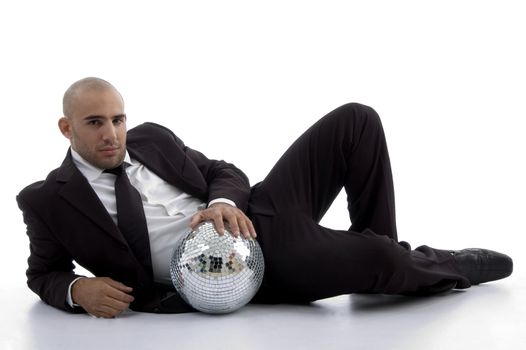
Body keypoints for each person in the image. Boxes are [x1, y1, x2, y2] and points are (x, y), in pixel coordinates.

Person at [17, 77, 513, 318]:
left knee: (356, 119)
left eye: (117, 119)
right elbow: (43, 273)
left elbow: (222, 171)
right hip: (246, 266)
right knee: (377, 256)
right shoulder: (47, 200)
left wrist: (224, 203)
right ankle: (428, 264)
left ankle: (381, 266)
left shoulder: (152, 139)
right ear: (66, 128)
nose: (111, 133)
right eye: (95, 123)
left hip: (259, 212)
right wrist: (77, 292)